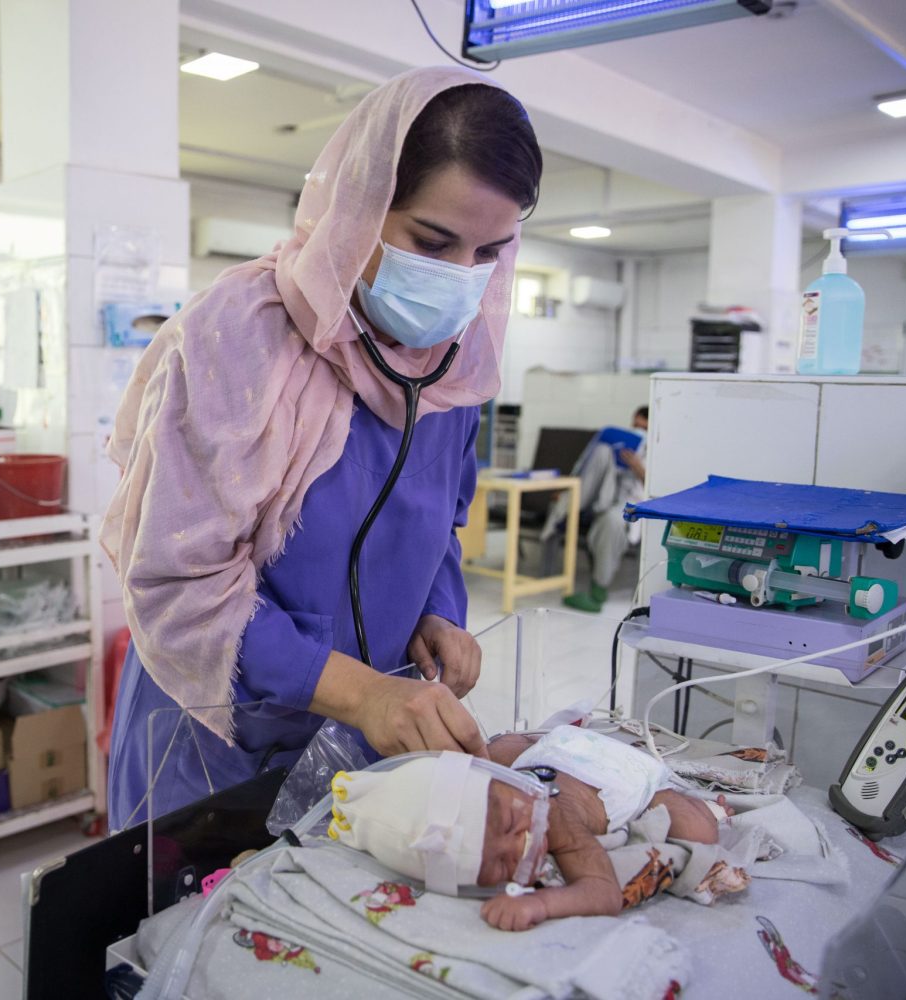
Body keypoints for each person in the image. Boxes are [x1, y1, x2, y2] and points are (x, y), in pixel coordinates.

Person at [102, 67, 543, 827]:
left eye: (488, 253)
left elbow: (436, 522)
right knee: (201, 932)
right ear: (358, 208)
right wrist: (361, 691)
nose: (459, 279)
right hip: (216, 736)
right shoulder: (238, 338)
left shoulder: (452, 364)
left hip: (361, 733)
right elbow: (178, 583)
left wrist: (438, 614)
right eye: (432, 242)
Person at [329, 738, 730, 933]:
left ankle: (715, 807)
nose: (523, 844)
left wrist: (543, 904)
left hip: (617, 772)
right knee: (503, 748)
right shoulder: (510, 801)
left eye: (506, 824)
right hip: (565, 759)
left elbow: (603, 892)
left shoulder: (553, 813)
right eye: (503, 865)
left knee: (700, 831)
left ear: (493, 780)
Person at [545, 405, 649, 613]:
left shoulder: (662, 452)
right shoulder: (624, 447)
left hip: (635, 504)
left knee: (611, 520)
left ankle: (598, 591)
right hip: (605, 495)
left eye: (642, 427)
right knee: (602, 450)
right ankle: (572, 498)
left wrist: (639, 468)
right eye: (634, 425)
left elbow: (657, 491)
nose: (637, 429)